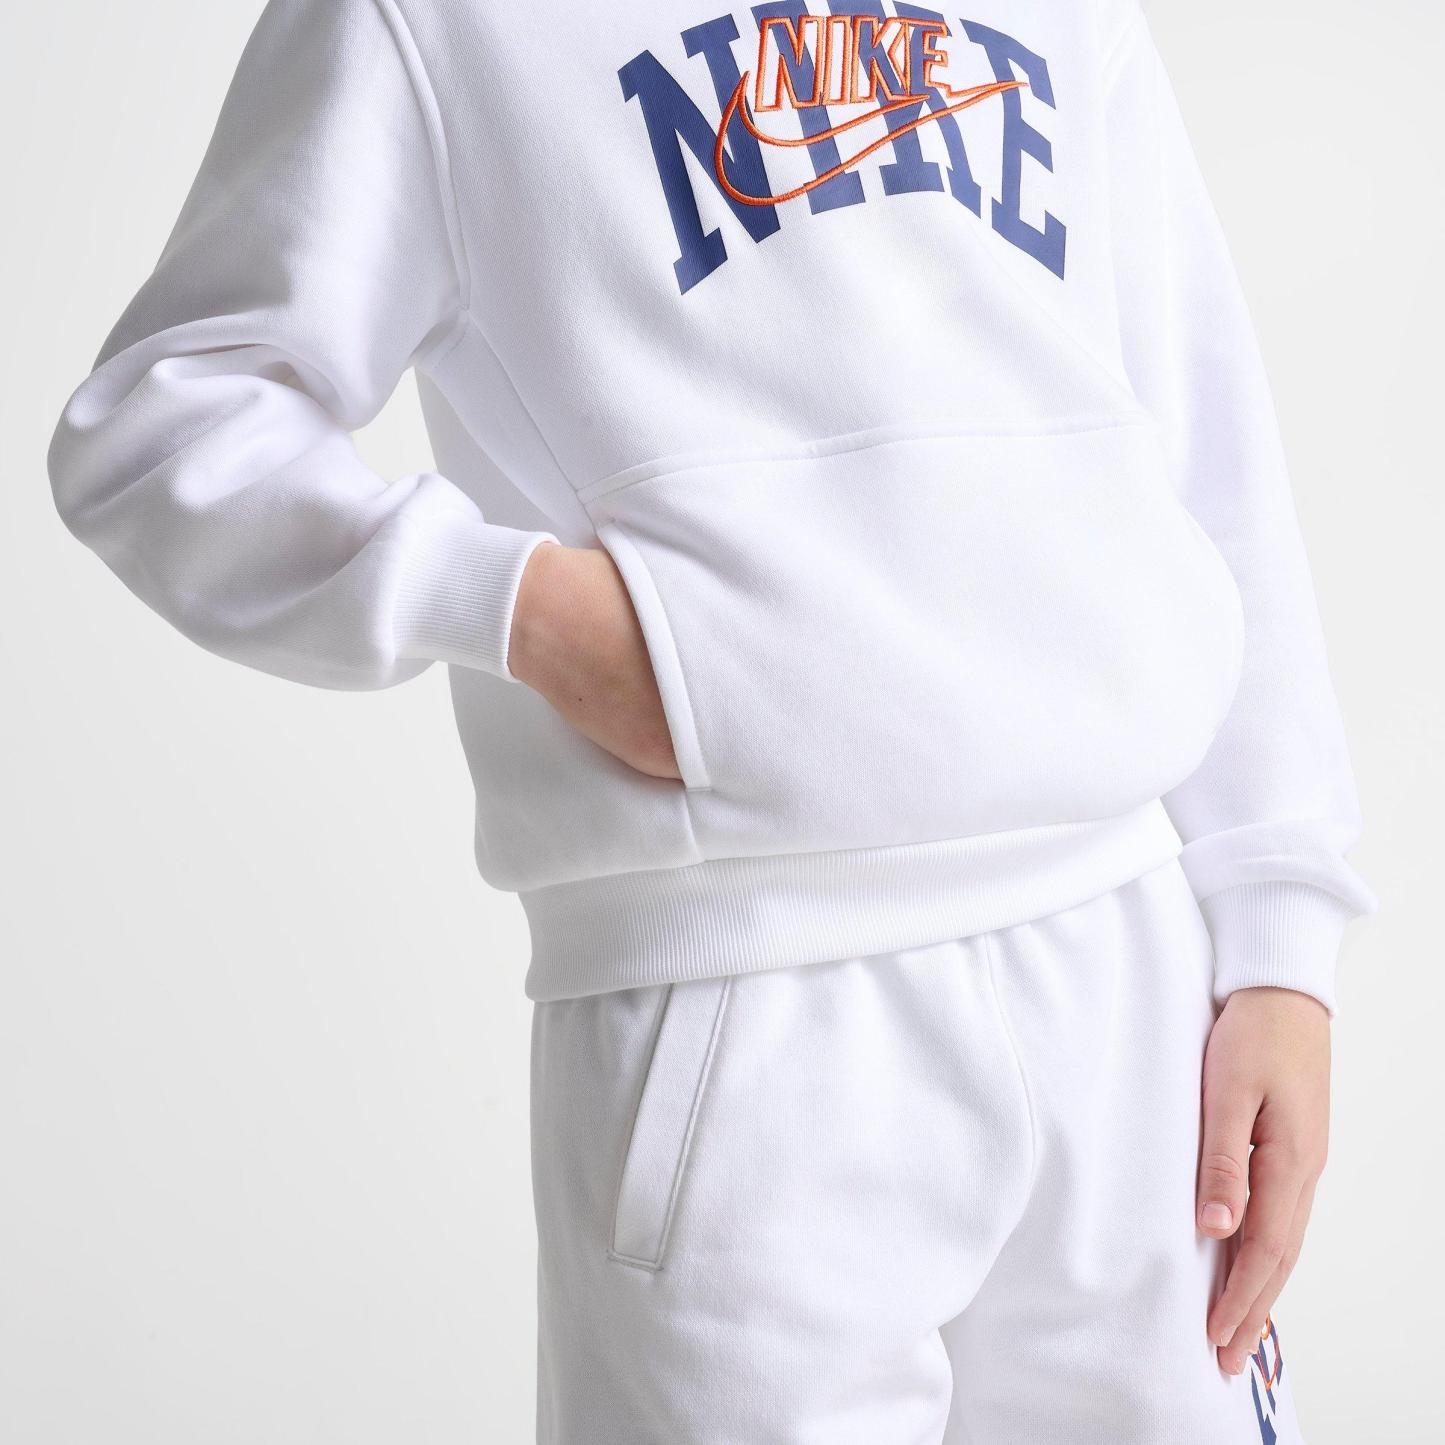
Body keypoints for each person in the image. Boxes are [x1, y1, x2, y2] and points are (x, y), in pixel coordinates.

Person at [48, 2, 1373, 1440]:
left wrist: (1280, 948)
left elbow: (1204, 451)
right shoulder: (418, 22)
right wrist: (522, 609)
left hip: (1133, 976)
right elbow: (161, 426)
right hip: (741, 1013)